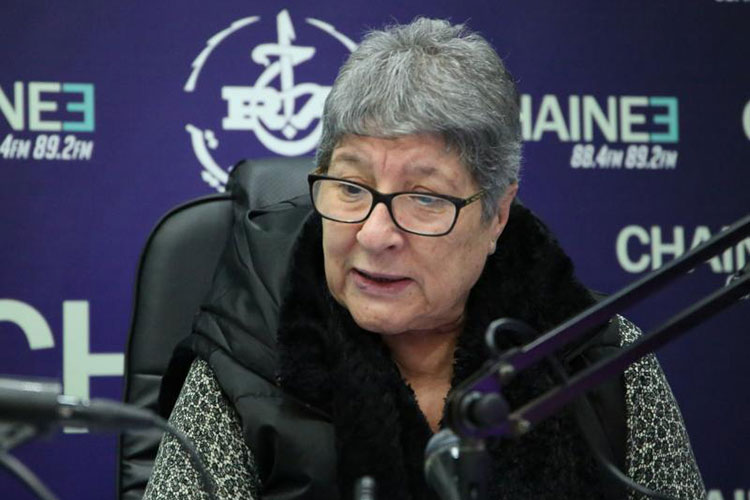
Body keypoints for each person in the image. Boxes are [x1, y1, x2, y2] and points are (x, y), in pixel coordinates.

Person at [144, 18, 705, 500]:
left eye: (425, 198)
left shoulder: (596, 358)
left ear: (497, 214)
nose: (374, 234)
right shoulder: (243, 357)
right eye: (351, 187)